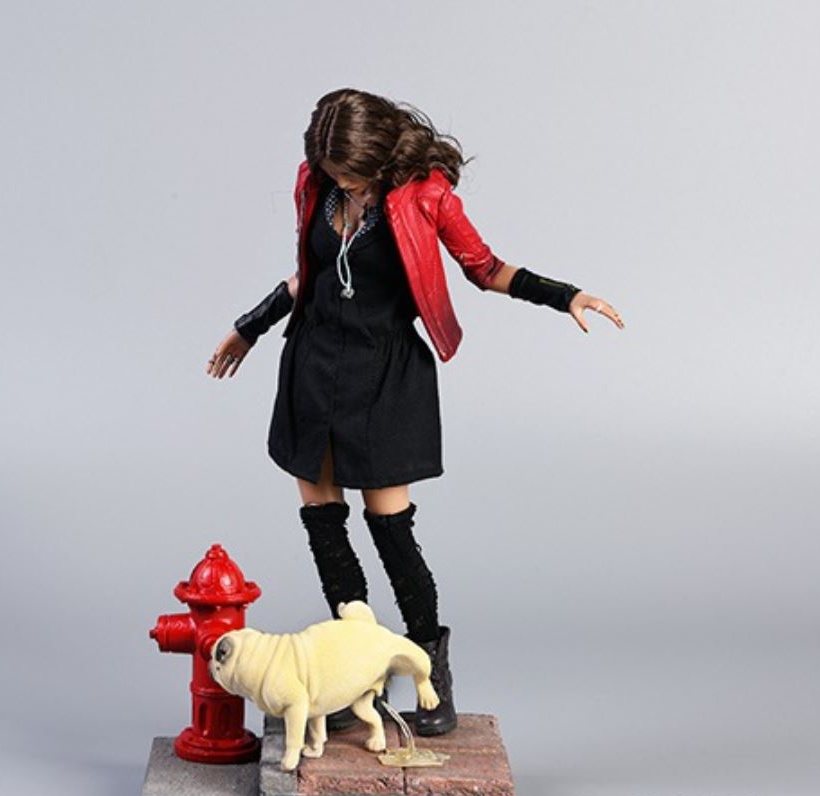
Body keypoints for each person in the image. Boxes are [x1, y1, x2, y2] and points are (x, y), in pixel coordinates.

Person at [206, 88, 623, 736]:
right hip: (313, 366)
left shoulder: (426, 195)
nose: (341, 183)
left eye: (351, 174)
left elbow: (485, 268)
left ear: (378, 157)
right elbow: (309, 274)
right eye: (332, 172)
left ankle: (431, 675)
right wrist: (250, 326)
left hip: (384, 374)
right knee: (324, 523)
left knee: (390, 529)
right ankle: (350, 672)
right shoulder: (315, 185)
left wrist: (564, 294)